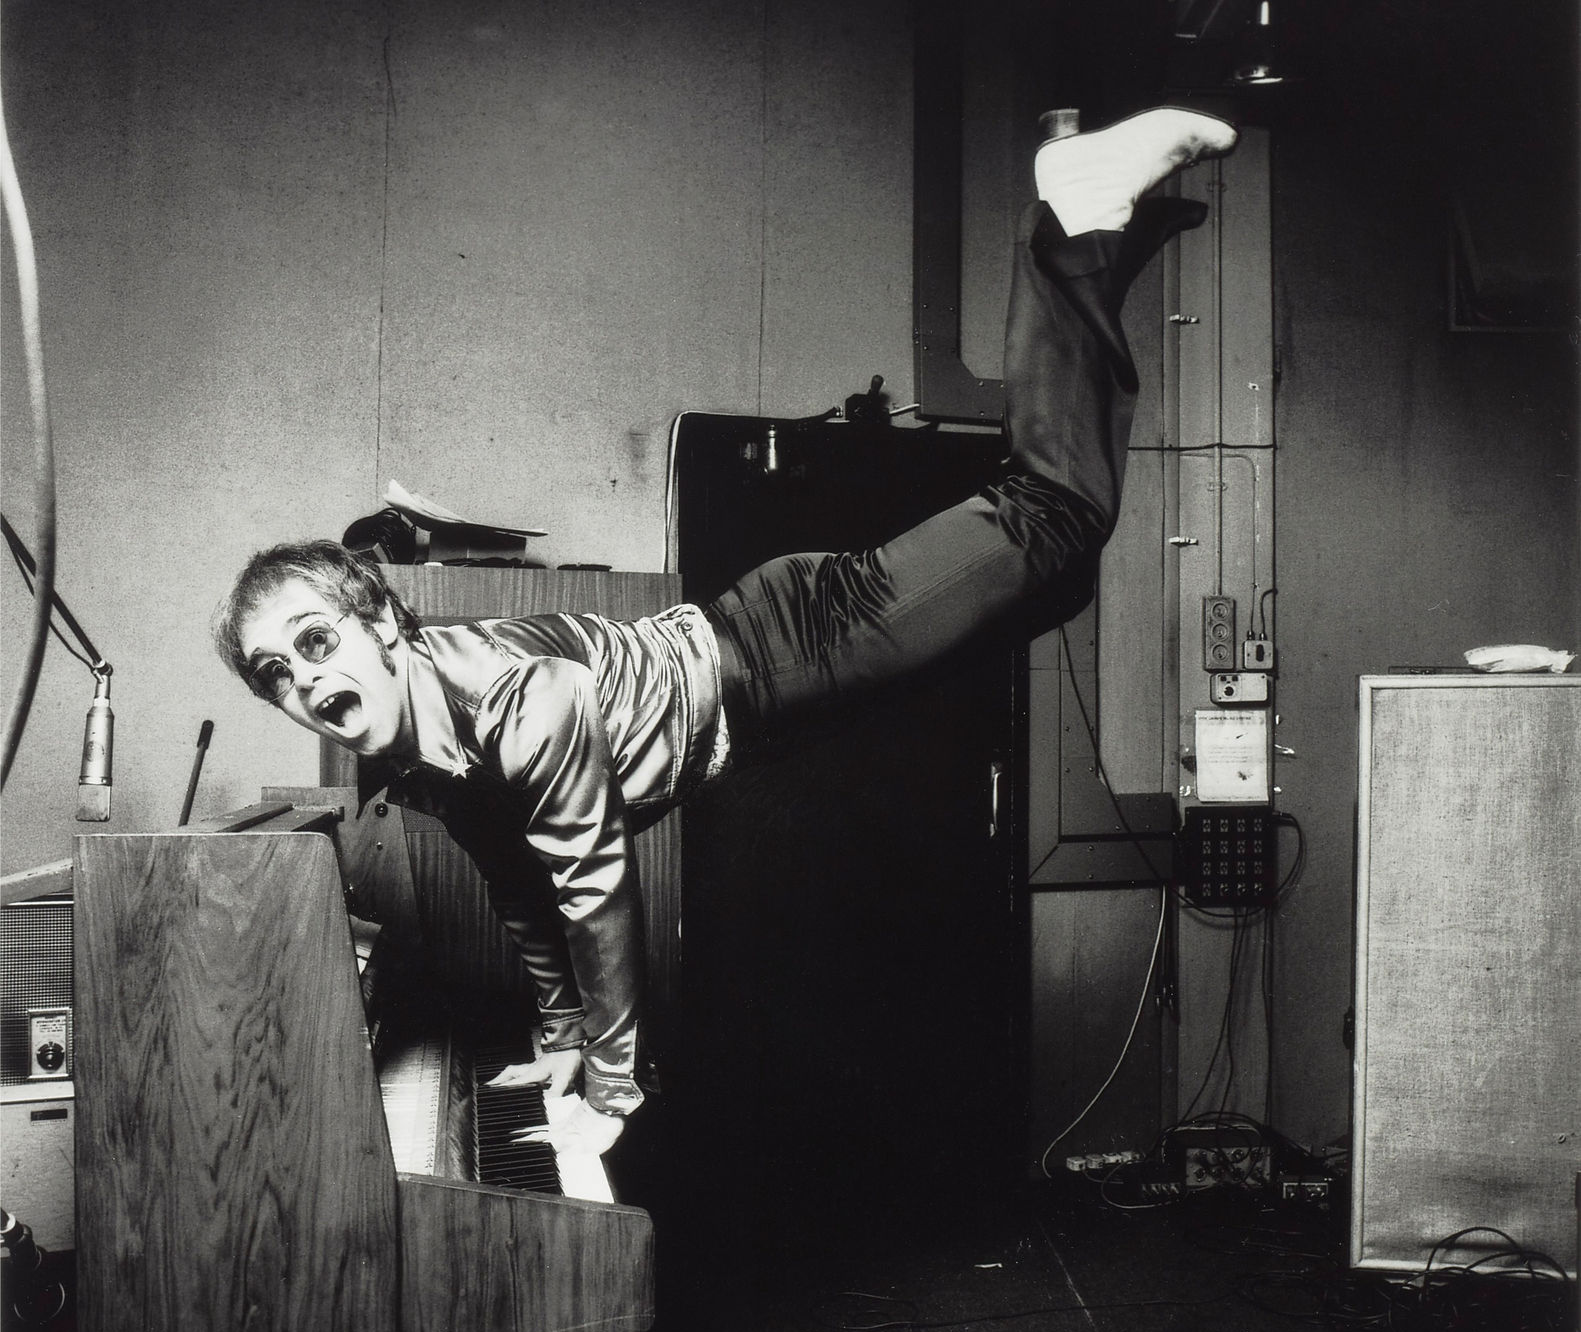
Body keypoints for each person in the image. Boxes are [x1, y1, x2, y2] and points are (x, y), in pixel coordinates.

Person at [213, 107, 1238, 1159]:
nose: (304, 678)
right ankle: (1096, 249)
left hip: (788, 641)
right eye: (275, 673)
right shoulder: (422, 751)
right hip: (766, 680)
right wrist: (559, 1036)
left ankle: (1070, 224)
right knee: (1052, 587)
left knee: (1057, 523)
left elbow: (593, 890)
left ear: (381, 619)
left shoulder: (519, 709)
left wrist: (612, 1083)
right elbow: (514, 881)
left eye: (317, 640)